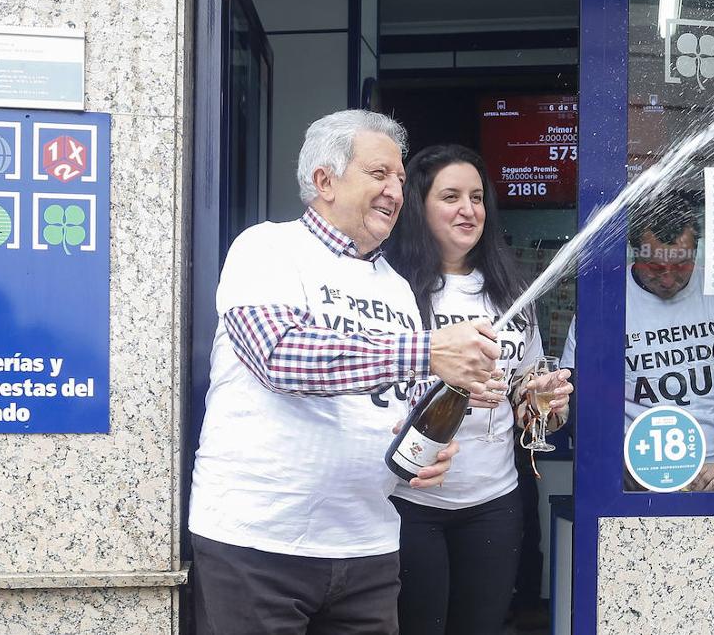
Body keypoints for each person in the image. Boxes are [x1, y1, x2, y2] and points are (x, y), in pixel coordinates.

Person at [189, 111, 504, 635]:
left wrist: (428, 439)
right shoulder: (267, 248)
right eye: (379, 174)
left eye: (401, 180)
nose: (395, 191)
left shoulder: (396, 287)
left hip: (368, 546)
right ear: (324, 180)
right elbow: (279, 356)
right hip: (257, 543)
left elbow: (399, 398)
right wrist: (425, 350)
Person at [385, 144, 572, 635]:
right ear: (418, 206)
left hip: (495, 500)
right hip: (409, 501)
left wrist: (542, 401)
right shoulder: (389, 287)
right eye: (450, 197)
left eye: (476, 197)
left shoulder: (511, 293)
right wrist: (455, 382)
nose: (468, 210)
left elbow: (527, 403)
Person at [562, 197, 714, 490]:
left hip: (711, 476)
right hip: (629, 480)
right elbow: (577, 399)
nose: (668, 278)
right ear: (635, 253)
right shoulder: (603, 300)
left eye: (681, 265)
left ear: (696, 251)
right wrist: (615, 465)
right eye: (656, 267)